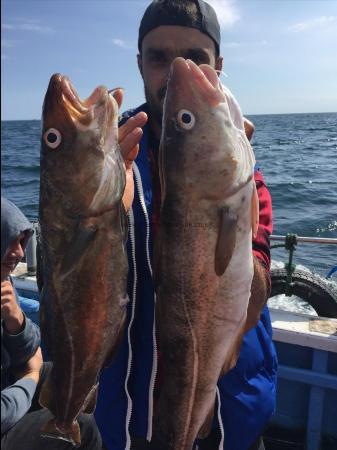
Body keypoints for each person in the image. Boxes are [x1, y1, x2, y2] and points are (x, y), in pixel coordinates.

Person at [95, 2, 277, 450]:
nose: (178, 70)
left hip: (227, 414)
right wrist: (99, 212)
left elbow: (253, 288)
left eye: (196, 58)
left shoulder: (246, 181)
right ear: (140, 63)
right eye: (159, 58)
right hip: (131, 418)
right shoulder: (101, 161)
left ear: (218, 66)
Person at [1, 197, 102, 450]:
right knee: (84, 424)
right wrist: (31, 378)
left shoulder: (4, 284)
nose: (20, 252)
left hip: (9, 387)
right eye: (10, 240)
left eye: (22, 240)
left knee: (72, 380)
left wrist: (18, 323)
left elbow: (33, 348)